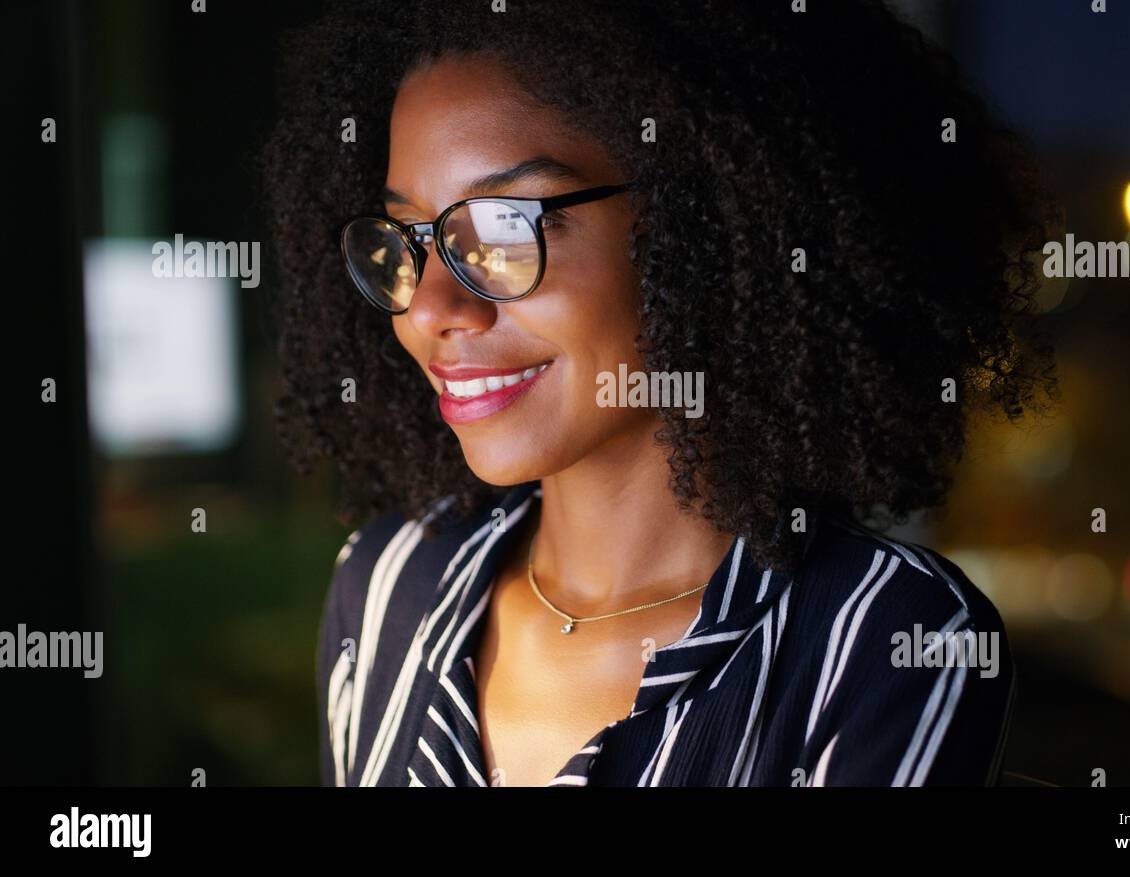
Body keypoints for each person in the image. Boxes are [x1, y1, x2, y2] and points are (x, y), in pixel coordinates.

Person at [260, 0, 1058, 786]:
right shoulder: (386, 585)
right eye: (410, 237)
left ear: (702, 222)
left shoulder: (885, 638)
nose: (432, 308)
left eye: (505, 228)